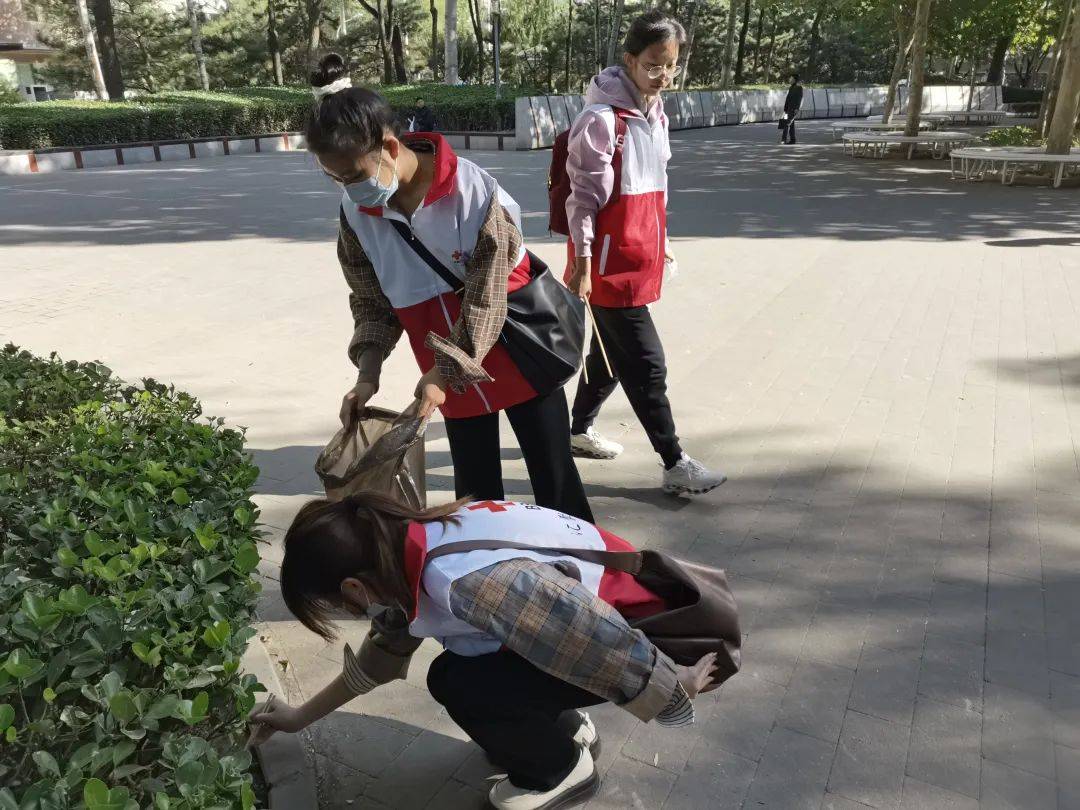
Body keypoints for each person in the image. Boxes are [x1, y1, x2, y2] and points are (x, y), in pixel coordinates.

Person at [249, 493, 721, 810]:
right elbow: (383, 655)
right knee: (468, 663)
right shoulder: (409, 541)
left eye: (338, 607)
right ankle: (562, 727)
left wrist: (671, 686)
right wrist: (299, 717)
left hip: (649, 635)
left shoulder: (464, 580)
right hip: (613, 621)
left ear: (354, 587)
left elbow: (592, 634)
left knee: (457, 682)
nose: (350, 613)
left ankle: (558, 769)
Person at [309, 53, 593, 523]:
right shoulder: (355, 213)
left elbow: (487, 297)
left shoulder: (473, 191)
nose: (349, 189)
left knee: (554, 478)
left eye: (354, 176)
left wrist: (443, 373)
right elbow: (371, 300)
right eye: (335, 178)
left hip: (516, 346)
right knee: (476, 494)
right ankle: (486, 562)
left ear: (390, 146)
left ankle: (584, 558)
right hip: (444, 368)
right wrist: (367, 373)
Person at [564, 11, 727, 496]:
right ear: (630, 60)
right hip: (606, 267)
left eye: (671, 66)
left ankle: (577, 430)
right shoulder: (600, 121)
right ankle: (674, 462)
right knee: (647, 363)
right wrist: (584, 265)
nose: (663, 76)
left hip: (639, 257)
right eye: (654, 65)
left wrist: (664, 239)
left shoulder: (656, 114)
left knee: (609, 356)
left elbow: (657, 185)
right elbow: (581, 202)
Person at [780, 73, 803, 145]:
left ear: (795, 80)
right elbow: (788, 99)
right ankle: (793, 140)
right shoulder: (791, 87)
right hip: (788, 109)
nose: (789, 79)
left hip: (793, 109)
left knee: (786, 123)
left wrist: (797, 108)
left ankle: (783, 139)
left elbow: (799, 99)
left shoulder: (799, 88)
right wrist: (785, 109)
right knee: (791, 124)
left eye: (791, 78)